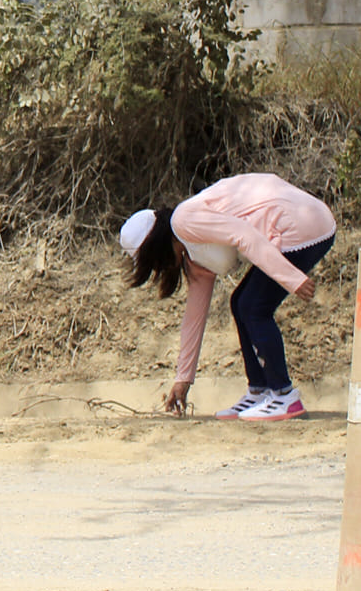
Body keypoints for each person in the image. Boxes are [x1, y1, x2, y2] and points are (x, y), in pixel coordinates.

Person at [119, 173, 339, 422]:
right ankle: (260, 390)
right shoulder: (193, 252)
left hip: (301, 227)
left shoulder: (184, 221)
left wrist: (291, 278)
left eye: (152, 264)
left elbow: (243, 234)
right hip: (302, 223)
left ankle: (284, 396)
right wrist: (183, 379)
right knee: (240, 303)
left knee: (252, 307)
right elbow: (195, 315)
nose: (158, 270)